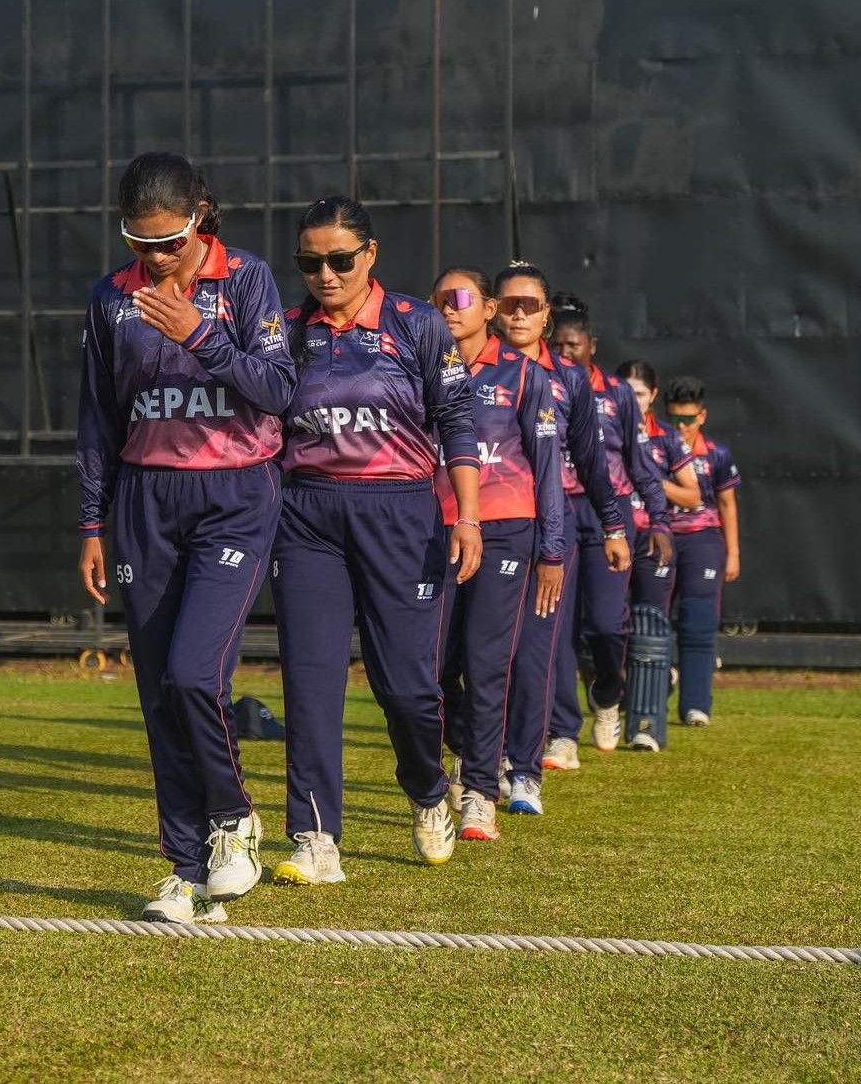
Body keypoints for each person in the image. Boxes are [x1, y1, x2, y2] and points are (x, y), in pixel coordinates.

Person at [76, 151, 293, 923]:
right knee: (159, 695)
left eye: (170, 241)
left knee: (195, 674)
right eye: (140, 243)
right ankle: (186, 870)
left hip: (235, 494)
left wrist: (202, 336)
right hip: (146, 501)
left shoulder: (245, 279)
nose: (158, 257)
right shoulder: (111, 297)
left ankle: (233, 818)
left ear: (200, 218)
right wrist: (92, 521)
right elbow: (98, 415)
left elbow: (279, 389)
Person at [266, 197, 481, 884]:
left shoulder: (416, 323)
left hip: (402, 513)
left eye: (339, 259)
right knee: (310, 682)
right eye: (309, 263)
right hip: (307, 515)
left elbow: (458, 419)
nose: (325, 275)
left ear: (371, 253)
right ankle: (314, 836)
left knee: (408, 689)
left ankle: (427, 789)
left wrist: (469, 516)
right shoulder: (286, 330)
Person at [432, 268, 565, 839]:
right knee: (432, 667)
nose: (449, 307)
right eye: (440, 298)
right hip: (434, 529)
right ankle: (467, 751)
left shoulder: (523, 374)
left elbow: (549, 468)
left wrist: (552, 550)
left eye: (461, 297)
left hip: (507, 528)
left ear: (488, 309)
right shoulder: (421, 366)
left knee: (487, 662)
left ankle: (482, 791)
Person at [491, 264, 623, 807]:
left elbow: (592, 460)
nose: (519, 313)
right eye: (510, 303)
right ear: (493, 309)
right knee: (477, 654)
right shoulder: (466, 368)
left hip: (550, 524)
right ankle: (480, 757)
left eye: (531, 304)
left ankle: (524, 767)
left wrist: (613, 524)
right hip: (482, 525)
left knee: (535, 649)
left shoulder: (568, 377)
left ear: (546, 314)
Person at [549, 301, 673, 753]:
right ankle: (562, 731)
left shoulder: (618, 393)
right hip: (555, 508)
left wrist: (659, 520)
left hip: (609, 513)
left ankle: (606, 695)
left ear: (592, 346)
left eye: (573, 345)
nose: (565, 352)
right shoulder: (541, 382)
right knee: (556, 626)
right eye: (557, 345)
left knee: (605, 623)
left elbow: (641, 463)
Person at [663, 375, 742, 726]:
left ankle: (696, 705)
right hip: (661, 537)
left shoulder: (716, 453)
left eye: (689, 419)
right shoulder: (655, 448)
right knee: (650, 618)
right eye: (675, 418)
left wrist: (733, 552)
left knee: (698, 619)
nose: (682, 427)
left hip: (703, 540)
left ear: (702, 416)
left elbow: (727, 503)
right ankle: (653, 692)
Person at [617, 359, 701, 619]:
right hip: (612, 534)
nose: (633, 401)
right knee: (607, 620)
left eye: (640, 394)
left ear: (653, 395)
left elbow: (693, 497)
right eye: (626, 393)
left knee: (649, 622)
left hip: (651, 536)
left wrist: (649, 478)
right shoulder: (601, 430)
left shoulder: (667, 437)